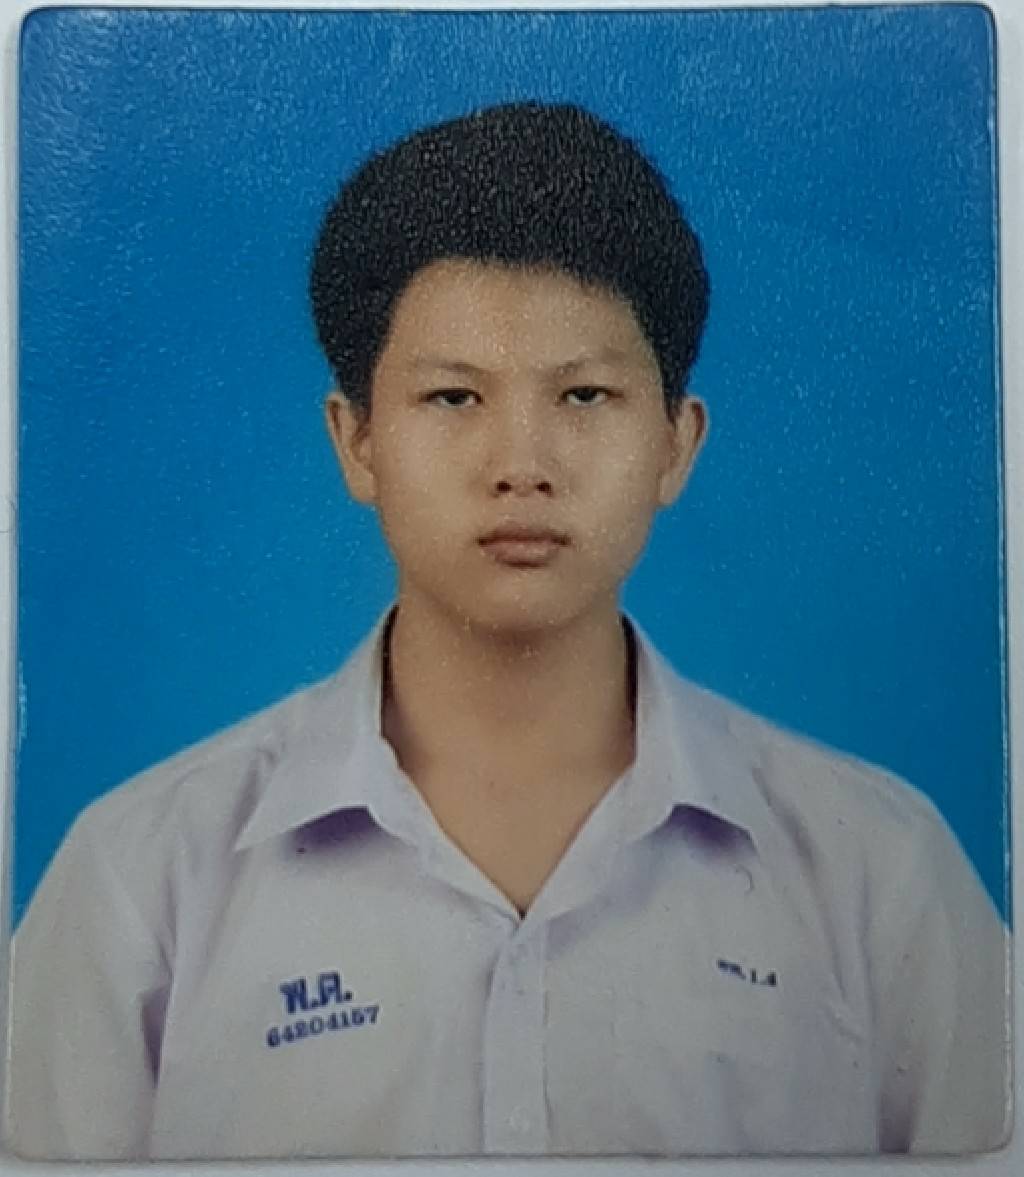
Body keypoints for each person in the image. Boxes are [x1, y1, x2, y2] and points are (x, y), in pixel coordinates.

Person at [5, 102, 1009, 1161]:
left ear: (676, 442)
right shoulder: (143, 879)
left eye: (585, 394)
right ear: (356, 441)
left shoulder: (880, 874)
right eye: (452, 397)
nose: (521, 464)